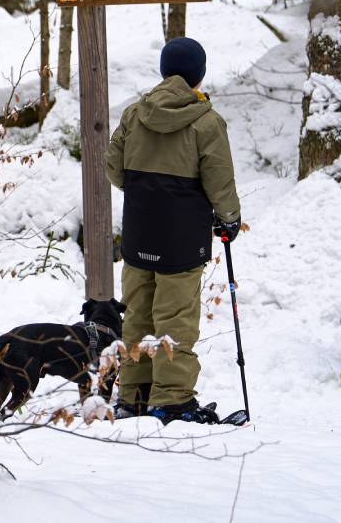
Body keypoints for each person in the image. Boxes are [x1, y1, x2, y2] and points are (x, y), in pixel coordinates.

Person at [105, 37, 242, 424]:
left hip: (138, 233)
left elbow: (113, 168)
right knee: (175, 318)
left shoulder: (135, 113)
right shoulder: (206, 122)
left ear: (164, 71)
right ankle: (171, 399)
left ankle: (133, 395)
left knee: (137, 315)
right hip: (181, 240)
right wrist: (228, 217)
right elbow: (220, 181)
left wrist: (146, 191)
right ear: (199, 75)